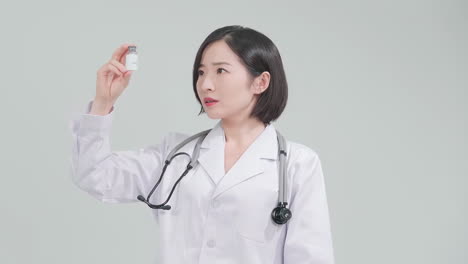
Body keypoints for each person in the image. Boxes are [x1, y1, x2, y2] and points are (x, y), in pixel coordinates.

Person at [70, 25, 335, 264]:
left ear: (260, 82)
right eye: (201, 72)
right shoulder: (175, 155)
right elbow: (94, 175)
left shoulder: (298, 165)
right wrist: (103, 102)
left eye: (220, 71)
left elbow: (312, 258)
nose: (205, 84)